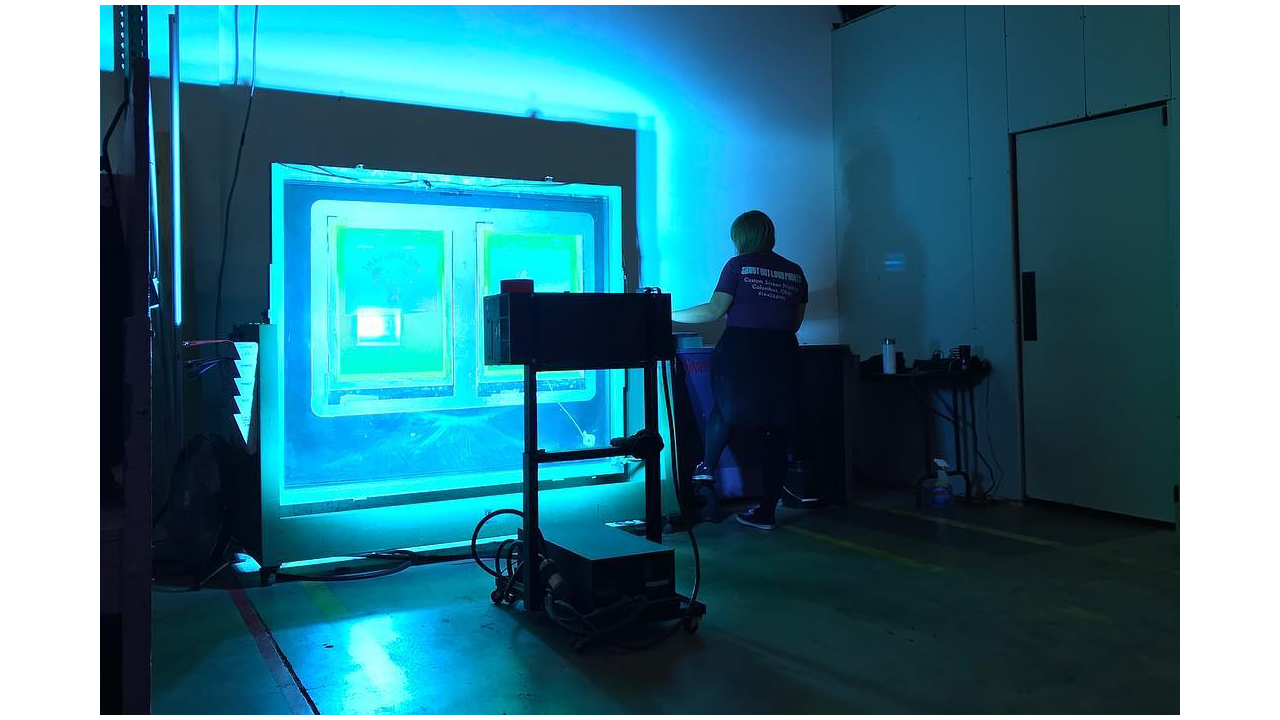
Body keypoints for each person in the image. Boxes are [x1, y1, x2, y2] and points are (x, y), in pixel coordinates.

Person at [672, 210, 807, 530]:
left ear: (741, 237)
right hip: (782, 354)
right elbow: (795, 322)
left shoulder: (738, 266)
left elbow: (714, 310)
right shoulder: (795, 272)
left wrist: (664, 313)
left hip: (741, 352)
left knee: (724, 412)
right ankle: (766, 513)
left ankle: (705, 470)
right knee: (776, 429)